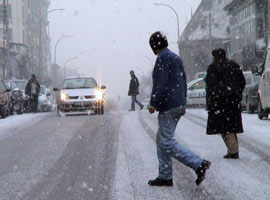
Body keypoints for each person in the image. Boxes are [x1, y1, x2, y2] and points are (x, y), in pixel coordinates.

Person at [147, 31, 211, 187]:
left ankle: (198, 163)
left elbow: (160, 83)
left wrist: (154, 102)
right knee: (162, 140)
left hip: (169, 105)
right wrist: (182, 102)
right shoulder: (175, 57)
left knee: (166, 141)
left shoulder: (163, 58)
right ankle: (165, 176)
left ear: (154, 47)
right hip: (177, 103)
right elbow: (183, 80)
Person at [205, 48, 246, 159]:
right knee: (231, 126)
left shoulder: (213, 68)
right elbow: (242, 82)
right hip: (233, 101)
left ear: (215, 56)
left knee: (225, 128)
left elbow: (210, 86)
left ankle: (233, 151)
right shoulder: (235, 66)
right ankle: (233, 149)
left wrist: (211, 101)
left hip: (219, 103)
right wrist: (237, 94)